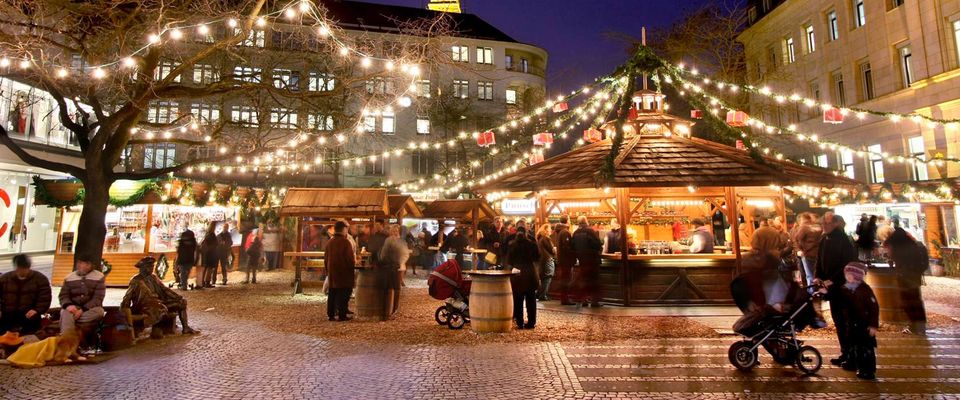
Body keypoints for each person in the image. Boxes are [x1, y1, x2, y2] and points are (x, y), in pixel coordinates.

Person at [815, 212, 858, 367]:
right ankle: (845, 352)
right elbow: (819, 259)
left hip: (842, 286)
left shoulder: (844, 240)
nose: (823, 226)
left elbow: (846, 264)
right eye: (822, 224)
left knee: (847, 321)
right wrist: (818, 276)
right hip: (832, 286)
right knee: (839, 320)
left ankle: (852, 356)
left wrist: (831, 280)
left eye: (826, 223)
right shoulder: (824, 239)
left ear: (835, 224)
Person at [121, 257, 199, 338]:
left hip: (159, 302)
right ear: (143, 268)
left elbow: (165, 289)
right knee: (159, 308)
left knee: (181, 302)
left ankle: (185, 328)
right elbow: (127, 296)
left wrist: (177, 297)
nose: (152, 269)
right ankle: (157, 329)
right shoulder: (136, 280)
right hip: (144, 306)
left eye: (152, 266)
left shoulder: (153, 277)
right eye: (149, 267)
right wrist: (124, 310)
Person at [837, 262, 879, 380]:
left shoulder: (864, 290)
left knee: (866, 349)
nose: (847, 276)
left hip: (864, 324)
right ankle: (855, 364)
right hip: (852, 323)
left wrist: (873, 325)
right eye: (846, 274)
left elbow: (874, 307)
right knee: (854, 345)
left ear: (857, 276)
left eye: (849, 274)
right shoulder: (847, 288)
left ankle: (868, 370)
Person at [884, 221, 927, 335]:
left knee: (907, 301)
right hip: (915, 275)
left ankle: (914, 325)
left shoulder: (897, 246)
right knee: (916, 299)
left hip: (904, 276)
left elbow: (891, 256)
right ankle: (920, 325)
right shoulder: (914, 244)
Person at [0, 255, 51, 335]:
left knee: (30, 329)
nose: (21, 271)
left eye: (24, 269)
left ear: (28, 267)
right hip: (7, 313)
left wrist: (37, 310)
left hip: (29, 314)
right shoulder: (5, 279)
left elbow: (44, 298)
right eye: (19, 268)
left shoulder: (40, 279)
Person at [59, 256, 106, 334]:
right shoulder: (69, 277)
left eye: (86, 264)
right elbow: (63, 295)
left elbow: (98, 298)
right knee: (65, 312)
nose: (83, 266)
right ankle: (67, 338)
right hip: (73, 308)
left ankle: (70, 320)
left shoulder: (99, 277)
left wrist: (83, 310)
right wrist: (68, 305)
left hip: (90, 309)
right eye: (80, 263)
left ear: (91, 265)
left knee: (99, 312)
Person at [507, 227, 540, 329]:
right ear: (526, 233)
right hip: (530, 272)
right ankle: (531, 322)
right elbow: (537, 257)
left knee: (518, 300)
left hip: (517, 274)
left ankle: (520, 322)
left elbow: (509, 261)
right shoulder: (532, 244)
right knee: (531, 300)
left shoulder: (512, 245)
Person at [325, 221, 356, 321]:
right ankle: (342, 315)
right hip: (343, 272)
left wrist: (327, 270)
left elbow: (326, 258)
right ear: (343, 229)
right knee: (344, 293)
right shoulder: (345, 242)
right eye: (346, 228)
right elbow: (350, 259)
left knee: (332, 293)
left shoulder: (330, 241)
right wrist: (352, 268)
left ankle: (331, 314)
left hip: (332, 272)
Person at [571, 216, 603, 307]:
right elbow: (597, 244)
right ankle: (594, 301)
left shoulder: (575, 233)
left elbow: (572, 246)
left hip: (582, 261)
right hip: (592, 260)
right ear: (586, 221)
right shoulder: (590, 231)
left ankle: (584, 300)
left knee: (584, 280)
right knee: (594, 281)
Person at [378, 225, 408, 320]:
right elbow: (405, 254)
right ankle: (393, 310)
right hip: (399, 267)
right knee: (396, 289)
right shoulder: (401, 241)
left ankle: (387, 311)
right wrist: (402, 262)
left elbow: (383, 255)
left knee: (389, 289)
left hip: (390, 267)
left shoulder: (389, 240)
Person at [792, 213, 823, 288]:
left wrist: (800, 250)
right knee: (819, 274)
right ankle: (820, 291)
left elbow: (797, 239)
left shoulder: (804, 228)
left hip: (808, 254)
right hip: (819, 254)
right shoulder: (819, 227)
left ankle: (812, 293)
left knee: (810, 276)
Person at [554, 216, 576, 305]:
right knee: (566, 280)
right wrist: (573, 254)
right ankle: (565, 299)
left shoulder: (559, 232)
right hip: (566, 261)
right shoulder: (565, 232)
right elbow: (566, 247)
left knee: (564, 279)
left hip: (562, 260)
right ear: (567, 221)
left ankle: (564, 298)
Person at [536, 223, 556, 301]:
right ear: (546, 230)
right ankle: (543, 295)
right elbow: (551, 249)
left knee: (544, 278)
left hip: (542, 260)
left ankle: (540, 294)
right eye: (549, 229)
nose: (550, 230)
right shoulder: (546, 238)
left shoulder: (540, 238)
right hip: (548, 259)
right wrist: (555, 250)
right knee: (548, 277)